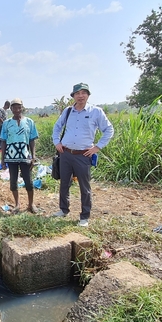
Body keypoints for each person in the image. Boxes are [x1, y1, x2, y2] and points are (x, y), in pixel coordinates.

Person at [52, 82, 114, 227]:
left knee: (84, 187)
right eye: (77, 93)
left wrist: (97, 147)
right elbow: (57, 127)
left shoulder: (96, 112)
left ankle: (84, 216)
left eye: (83, 93)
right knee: (64, 184)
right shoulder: (68, 111)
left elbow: (109, 130)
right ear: (73, 96)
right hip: (66, 153)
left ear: (88, 95)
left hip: (83, 155)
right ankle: (63, 209)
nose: (80, 96)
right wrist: (57, 142)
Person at [0, 98, 39, 213]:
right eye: (14, 107)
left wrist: (33, 156)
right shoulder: (6, 124)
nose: (17, 110)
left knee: (29, 181)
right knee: (13, 181)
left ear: (22, 108)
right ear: (11, 109)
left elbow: (32, 141)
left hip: (25, 156)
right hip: (11, 157)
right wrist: (2, 160)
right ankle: (17, 205)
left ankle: (31, 204)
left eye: (19, 107)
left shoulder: (29, 122)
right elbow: (3, 142)